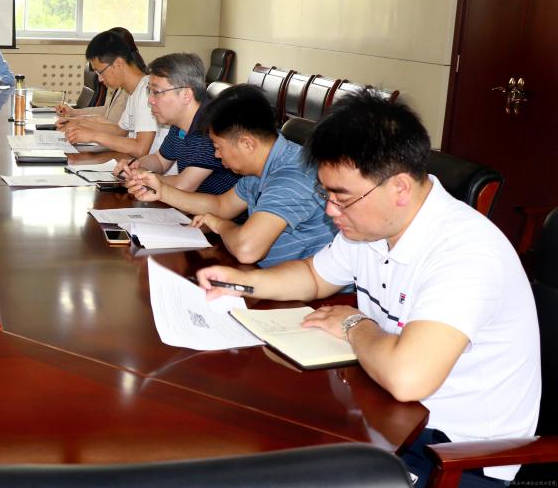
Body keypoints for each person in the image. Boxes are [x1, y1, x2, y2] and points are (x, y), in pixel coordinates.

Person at [193, 91, 540, 487]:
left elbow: (408, 378)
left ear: (400, 188)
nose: (330, 210)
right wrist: (238, 282)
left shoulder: (466, 254)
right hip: (385, 419)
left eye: (341, 197)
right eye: (326, 194)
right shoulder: (371, 228)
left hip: (456, 457)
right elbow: (313, 276)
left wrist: (354, 324)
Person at [127, 84, 335, 266]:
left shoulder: (292, 176)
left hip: (302, 291)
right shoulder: (264, 162)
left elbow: (247, 250)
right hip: (266, 274)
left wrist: (220, 224)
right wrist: (162, 191)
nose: (216, 155)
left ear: (247, 144)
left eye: (218, 147)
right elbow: (222, 205)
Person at [113, 53, 238, 196]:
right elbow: (160, 160)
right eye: (149, 91)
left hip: (217, 209)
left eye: (156, 92)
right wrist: (134, 166)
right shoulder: (180, 122)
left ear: (186, 95)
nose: (150, 100)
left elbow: (184, 186)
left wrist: (140, 176)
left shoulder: (210, 128)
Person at [61, 29, 164, 157]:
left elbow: (141, 148)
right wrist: (78, 124)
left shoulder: (146, 91)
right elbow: (120, 131)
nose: (100, 79)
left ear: (118, 64)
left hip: (153, 168)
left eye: (100, 72)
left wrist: (93, 136)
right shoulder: (133, 91)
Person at [56, 26, 137, 126]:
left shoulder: (133, 86)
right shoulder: (122, 82)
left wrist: (79, 121)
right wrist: (73, 113)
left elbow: (118, 129)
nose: (100, 79)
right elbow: (108, 111)